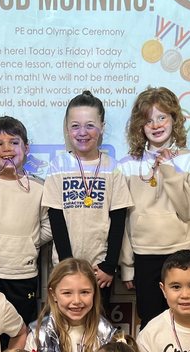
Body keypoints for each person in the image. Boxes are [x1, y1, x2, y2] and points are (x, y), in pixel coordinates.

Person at [118, 86, 190, 327]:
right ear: (139, 125)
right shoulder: (127, 165)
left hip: (179, 252)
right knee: (150, 322)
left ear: (174, 119)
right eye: (148, 120)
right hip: (144, 255)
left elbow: (189, 211)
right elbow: (124, 221)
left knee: (182, 320)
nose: (155, 125)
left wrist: (169, 170)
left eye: (162, 117)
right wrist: (127, 267)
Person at [43, 90, 133, 306]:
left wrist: (109, 266)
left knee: (98, 324)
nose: (82, 132)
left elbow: (118, 220)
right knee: (66, 322)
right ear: (67, 129)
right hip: (64, 268)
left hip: (99, 271)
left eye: (90, 125)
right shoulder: (58, 167)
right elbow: (56, 219)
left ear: (102, 127)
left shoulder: (113, 168)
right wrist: (67, 265)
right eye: (75, 126)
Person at [0, 115, 50, 326]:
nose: (7, 149)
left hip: (24, 274)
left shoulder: (40, 187)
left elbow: (48, 226)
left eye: (14, 142)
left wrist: (29, 242)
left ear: (26, 147)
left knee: (22, 330)